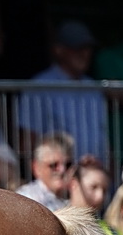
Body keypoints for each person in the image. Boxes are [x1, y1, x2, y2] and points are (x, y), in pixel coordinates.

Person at [19, 20, 107, 164]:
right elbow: (29, 140)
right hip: (58, 173)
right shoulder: (39, 86)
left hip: (94, 172)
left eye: (87, 48)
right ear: (59, 50)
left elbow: (102, 135)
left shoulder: (93, 87)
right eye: (77, 48)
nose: (84, 54)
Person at [15, 136, 74, 209]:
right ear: (36, 168)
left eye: (68, 165)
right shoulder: (27, 198)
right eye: (54, 165)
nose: (62, 170)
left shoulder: (76, 194)